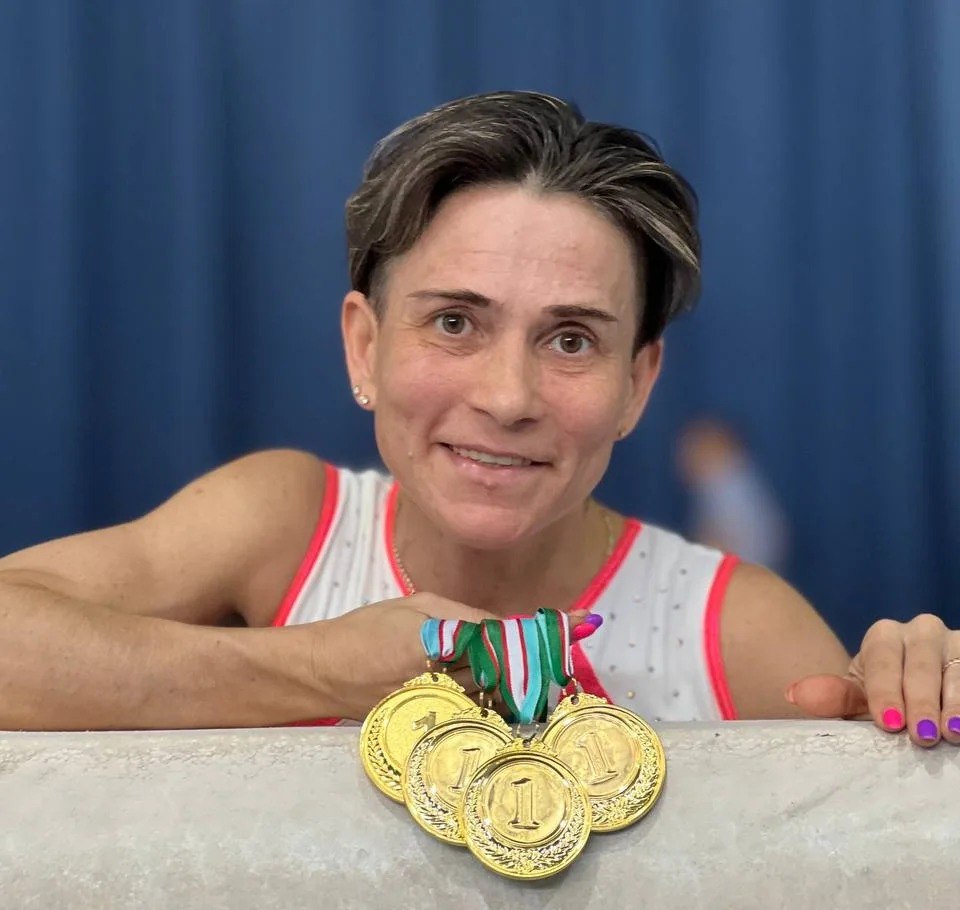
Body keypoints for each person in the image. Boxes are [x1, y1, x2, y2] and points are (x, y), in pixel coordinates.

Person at [0, 91, 957, 747]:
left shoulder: (737, 629)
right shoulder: (284, 524)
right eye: (455, 322)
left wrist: (915, 718)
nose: (507, 397)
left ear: (638, 383)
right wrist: (318, 669)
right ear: (364, 346)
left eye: (572, 340)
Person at [676, 418, 790, 572]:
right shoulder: (716, 488)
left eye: (695, 448)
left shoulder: (729, 488)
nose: (685, 458)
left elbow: (720, 545)